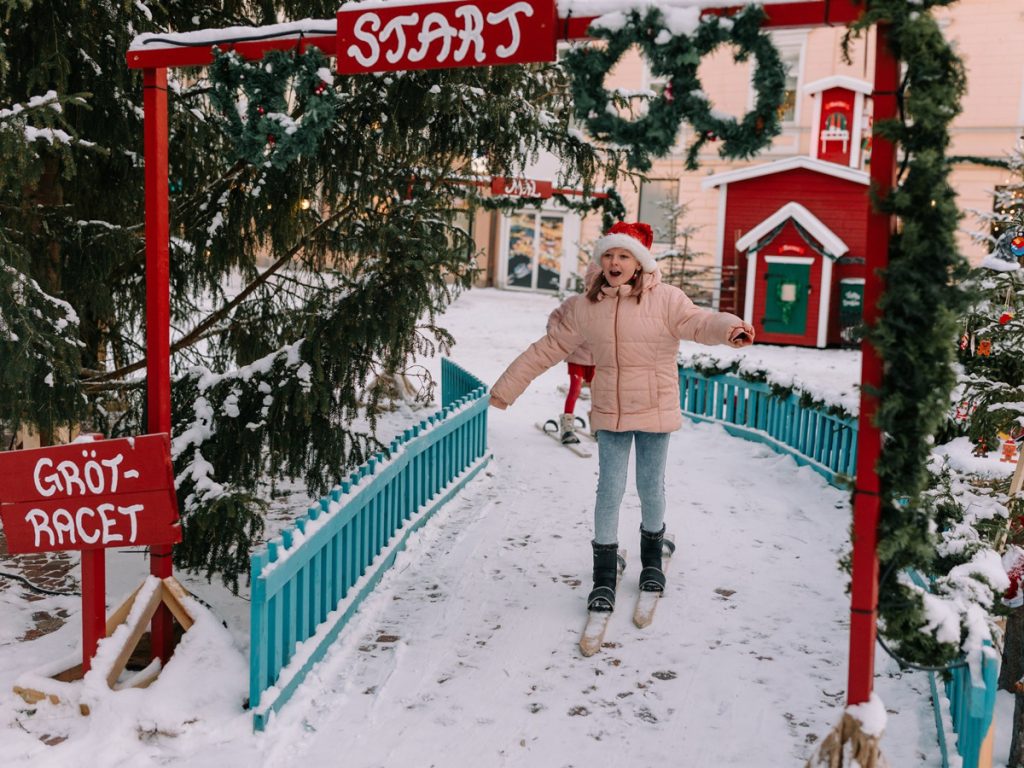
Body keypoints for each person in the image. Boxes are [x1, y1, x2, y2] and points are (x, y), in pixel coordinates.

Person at [489, 221, 755, 613]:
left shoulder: (667, 300)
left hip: (655, 409)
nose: (615, 262)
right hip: (610, 412)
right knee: (609, 491)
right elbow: (548, 348)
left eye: (624, 255)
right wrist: (506, 389)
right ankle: (603, 574)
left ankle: (652, 561)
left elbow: (700, 322)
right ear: (601, 261)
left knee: (651, 487)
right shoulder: (587, 307)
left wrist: (729, 328)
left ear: (639, 262)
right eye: (609, 255)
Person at [547, 261, 601, 444]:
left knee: (598, 392)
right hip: (577, 356)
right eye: (595, 283)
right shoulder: (575, 302)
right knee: (575, 389)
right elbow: (555, 316)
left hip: (597, 359)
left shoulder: (606, 306)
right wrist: (555, 334)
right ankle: (567, 427)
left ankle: (597, 427)